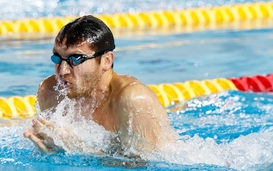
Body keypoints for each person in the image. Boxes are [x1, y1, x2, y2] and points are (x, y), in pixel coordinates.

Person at [23, 15, 175, 156]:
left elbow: (146, 168)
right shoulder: (50, 91)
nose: (62, 71)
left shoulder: (133, 100)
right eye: (57, 58)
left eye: (75, 59)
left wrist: (79, 148)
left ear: (106, 61)